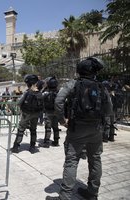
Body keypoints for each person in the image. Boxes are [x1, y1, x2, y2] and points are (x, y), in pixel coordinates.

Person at [46, 57, 113, 200]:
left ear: (80, 70)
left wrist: (63, 121)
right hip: (96, 129)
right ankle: (92, 193)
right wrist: (102, 125)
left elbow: (58, 101)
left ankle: (65, 196)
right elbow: (109, 110)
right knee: (95, 159)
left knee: (72, 160)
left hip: (77, 129)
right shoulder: (101, 87)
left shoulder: (74, 84)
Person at [11, 74, 43, 154]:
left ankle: (16, 147)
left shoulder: (27, 92)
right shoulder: (39, 93)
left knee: (21, 130)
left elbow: (19, 102)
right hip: (36, 114)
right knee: (33, 130)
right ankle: (32, 147)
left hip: (26, 114)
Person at [41, 76, 60, 147]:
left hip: (48, 112)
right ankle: (56, 141)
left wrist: (44, 87)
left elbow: (39, 96)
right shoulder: (59, 93)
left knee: (48, 127)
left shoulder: (46, 93)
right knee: (55, 127)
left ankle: (46, 142)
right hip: (56, 112)